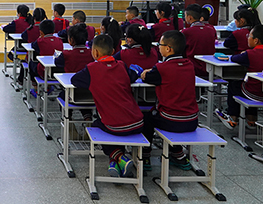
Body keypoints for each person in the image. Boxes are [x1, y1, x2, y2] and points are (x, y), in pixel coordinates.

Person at [71, 34, 143, 177]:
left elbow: (75, 80)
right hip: (138, 122)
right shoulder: (121, 65)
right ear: (112, 51)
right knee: (114, 122)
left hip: (115, 126)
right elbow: (132, 76)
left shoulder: (91, 69)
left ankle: (119, 156)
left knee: (97, 125)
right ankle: (116, 163)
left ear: (95, 52)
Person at [141, 30, 198, 171]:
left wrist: (146, 72)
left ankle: (145, 155)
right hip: (192, 120)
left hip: (171, 120)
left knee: (146, 118)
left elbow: (147, 77)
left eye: (160, 45)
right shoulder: (189, 65)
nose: (158, 47)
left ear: (168, 49)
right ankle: (178, 155)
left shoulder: (161, 68)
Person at [215, 25, 263, 130]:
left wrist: (244, 53)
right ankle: (251, 120)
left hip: (253, 93)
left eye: (249, 36)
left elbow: (234, 58)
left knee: (234, 85)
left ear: (256, 41)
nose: (247, 38)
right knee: (251, 85)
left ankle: (233, 118)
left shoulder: (250, 54)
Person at [181, 4, 216, 77]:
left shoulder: (186, 32)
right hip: (210, 67)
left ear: (190, 17)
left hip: (192, 67)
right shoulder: (211, 30)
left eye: (185, 16)